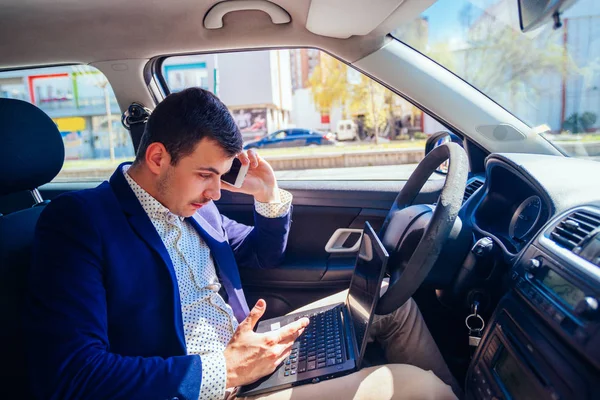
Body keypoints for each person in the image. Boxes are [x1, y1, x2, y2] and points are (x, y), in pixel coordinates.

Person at [25, 87, 458, 400]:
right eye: (205, 174)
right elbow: (74, 375)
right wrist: (224, 369)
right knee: (420, 389)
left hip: (249, 349)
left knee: (391, 305)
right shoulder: (80, 222)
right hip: (211, 386)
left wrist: (267, 197)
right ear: (157, 158)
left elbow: (261, 254)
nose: (217, 192)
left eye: (222, 175)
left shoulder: (197, 205)